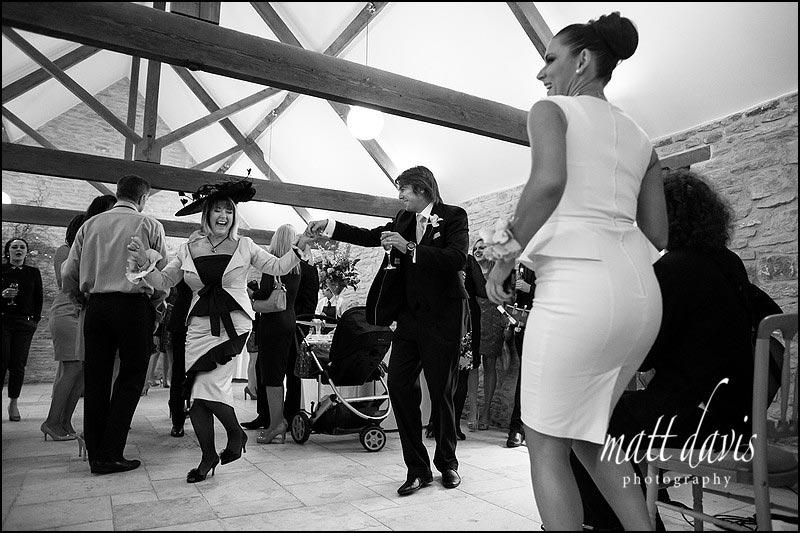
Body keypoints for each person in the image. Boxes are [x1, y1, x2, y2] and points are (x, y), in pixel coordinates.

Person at [484, 12, 668, 531]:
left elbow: (547, 184)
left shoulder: (551, 110)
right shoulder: (641, 137)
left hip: (578, 294)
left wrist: (504, 257)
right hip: (638, 297)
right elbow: (658, 233)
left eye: (550, 60)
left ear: (582, 61)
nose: (542, 75)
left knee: (544, 443)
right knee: (590, 435)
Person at [576, 169, 783, 530]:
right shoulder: (727, 261)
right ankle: (648, 503)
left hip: (698, 418)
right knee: (615, 414)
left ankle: (626, 524)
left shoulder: (674, 269)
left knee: (581, 422)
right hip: (736, 411)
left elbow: (644, 357)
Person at [127, 180, 312, 483]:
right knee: (198, 396)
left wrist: (301, 245)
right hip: (197, 327)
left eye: (228, 210)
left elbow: (278, 266)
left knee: (207, 387)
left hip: (233, 324)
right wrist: (144, 262)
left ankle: (235, 435)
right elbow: (164, 282)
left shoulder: (246, 245)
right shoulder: (188, 248)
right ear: (207, 215)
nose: (223, 215)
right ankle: (209, 456)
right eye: (217, 210)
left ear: (234, 216)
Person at [306, 165, 469, 495]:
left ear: (422, 189)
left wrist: (408, 249)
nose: (400, 196)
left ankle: (447, 464)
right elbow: (368, 236)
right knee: (398, 385)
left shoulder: (454, 216)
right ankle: (417, 469)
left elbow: (456, 259)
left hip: (444, 317)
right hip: (408, 320)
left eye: (404, 190)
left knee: (442, 392)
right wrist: (330, 225)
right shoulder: (402, 220)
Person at [62, 176, 169, 475]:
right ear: (143, 198)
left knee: (95, 379)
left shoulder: (89, 225)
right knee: (132, 378)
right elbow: (161, 275)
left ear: (117, 194)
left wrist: (78, 296)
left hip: (96, 306)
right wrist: (157, 303)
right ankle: (111, 452)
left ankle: (96, 453)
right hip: (133, 307)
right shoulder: (150, 225)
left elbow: (69, 271)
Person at [245, 224, 303, 444]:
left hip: (273, 325)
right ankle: (279, 422)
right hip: (289, 321)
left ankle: (275, 425)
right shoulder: (297, 268)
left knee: (272, 377)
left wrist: (251, 292)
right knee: (281, 374)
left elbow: (264, 294)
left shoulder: (274, 267)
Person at [42, 214, 86, 440]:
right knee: (70, 368)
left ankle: (65, 421)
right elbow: (64, 281)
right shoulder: (65, 250)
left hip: (80, 313)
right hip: (66, 312)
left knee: (81, 372)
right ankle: (51, 422)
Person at [2, 237, 43, 423]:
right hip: (3, 321)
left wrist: (34, 321)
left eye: (22, 247)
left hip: (24, 324)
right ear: (7, 251)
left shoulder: (33, 273)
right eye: (14, 247)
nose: (18, 249)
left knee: (18, 364)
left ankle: (14, 402)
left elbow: (38, 298)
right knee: (2, 360)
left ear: (26, 252)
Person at [472, 238, 507, 431]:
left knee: (489, 366)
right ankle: (473, 411)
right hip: (473, 320)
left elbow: (507, 299)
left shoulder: (499, 272)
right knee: (472, 366)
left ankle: (486, 411)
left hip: (493, 321)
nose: (478, 251)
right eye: (475, 248)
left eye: (482, 248)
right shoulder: (469, 270)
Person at [505, 263, 535, 448]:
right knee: (525, 377)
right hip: (524, 327)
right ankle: (517, 428)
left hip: (553, 327)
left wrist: (531, 288)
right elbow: (514, 299)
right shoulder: (523, 263)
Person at [167, 279, 192, 437]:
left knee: (204, 371)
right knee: (179, 370)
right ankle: (177, 419)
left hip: (205, 320)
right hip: (183, 317)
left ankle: (199, 414)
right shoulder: (182, 259)